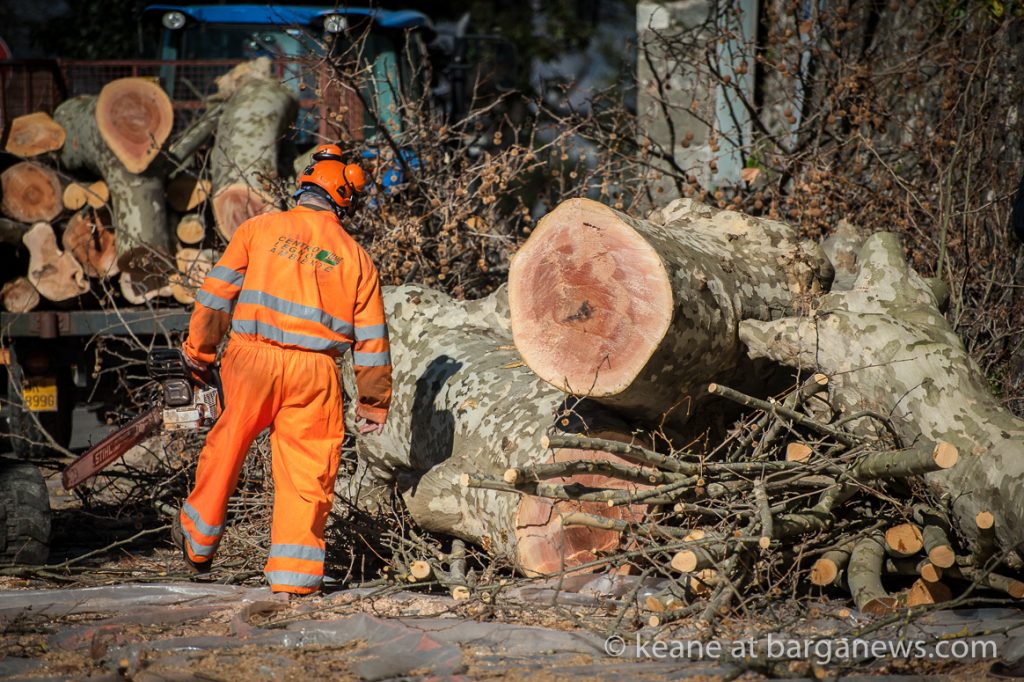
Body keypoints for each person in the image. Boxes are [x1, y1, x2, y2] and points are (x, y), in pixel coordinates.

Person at [171, 144, 392, 595]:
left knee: (226, 446)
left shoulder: (260, 229)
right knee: (308, 472)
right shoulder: (356, 258)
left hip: (252, 360)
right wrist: (372, 402)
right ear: (343, 197)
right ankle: (294, 579)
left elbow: (214, 298)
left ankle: (197, 541)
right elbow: (372, 342)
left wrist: (199, 353)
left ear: (306, 184)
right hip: (317, 374)